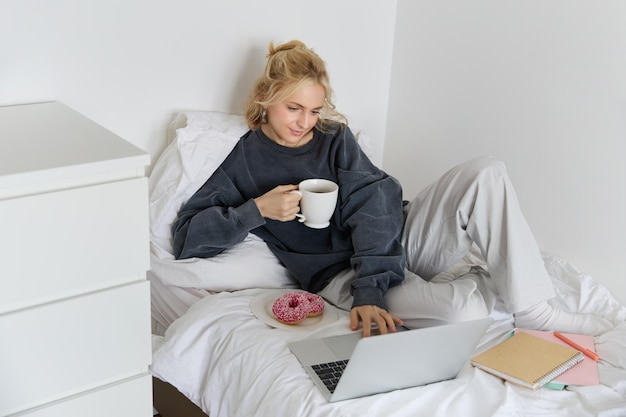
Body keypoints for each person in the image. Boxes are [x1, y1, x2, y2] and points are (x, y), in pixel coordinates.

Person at [172, 40, 613, 337]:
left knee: (487, 171)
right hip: (343, 275)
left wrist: (372, 287)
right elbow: (187, 238)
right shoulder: (245, 161)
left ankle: (535, 308)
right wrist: (257, 210)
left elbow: (374, 201)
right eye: (293, 108)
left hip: (400, 237)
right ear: (266, 97)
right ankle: (493, 277)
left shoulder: (333, 138)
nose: (304, 122)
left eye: (313, 109)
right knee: (466, 314)